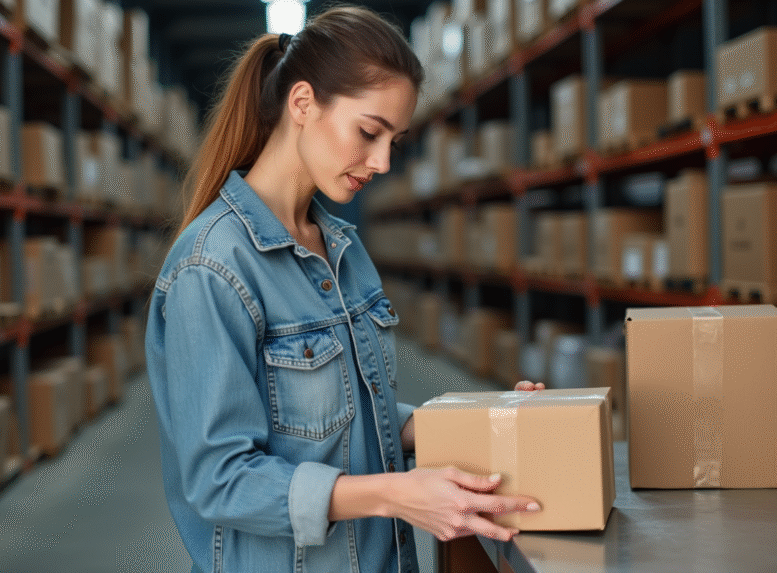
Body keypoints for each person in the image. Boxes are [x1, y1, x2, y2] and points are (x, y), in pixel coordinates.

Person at [145, 6, 542, 573]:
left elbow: (352, 414)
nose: (381, 162)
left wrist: (489, 419)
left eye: (394, 143)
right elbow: (221, 480)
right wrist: (397, 495)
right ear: (302, 103)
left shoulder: (341, 250)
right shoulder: (212, 267)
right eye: (368, 133)